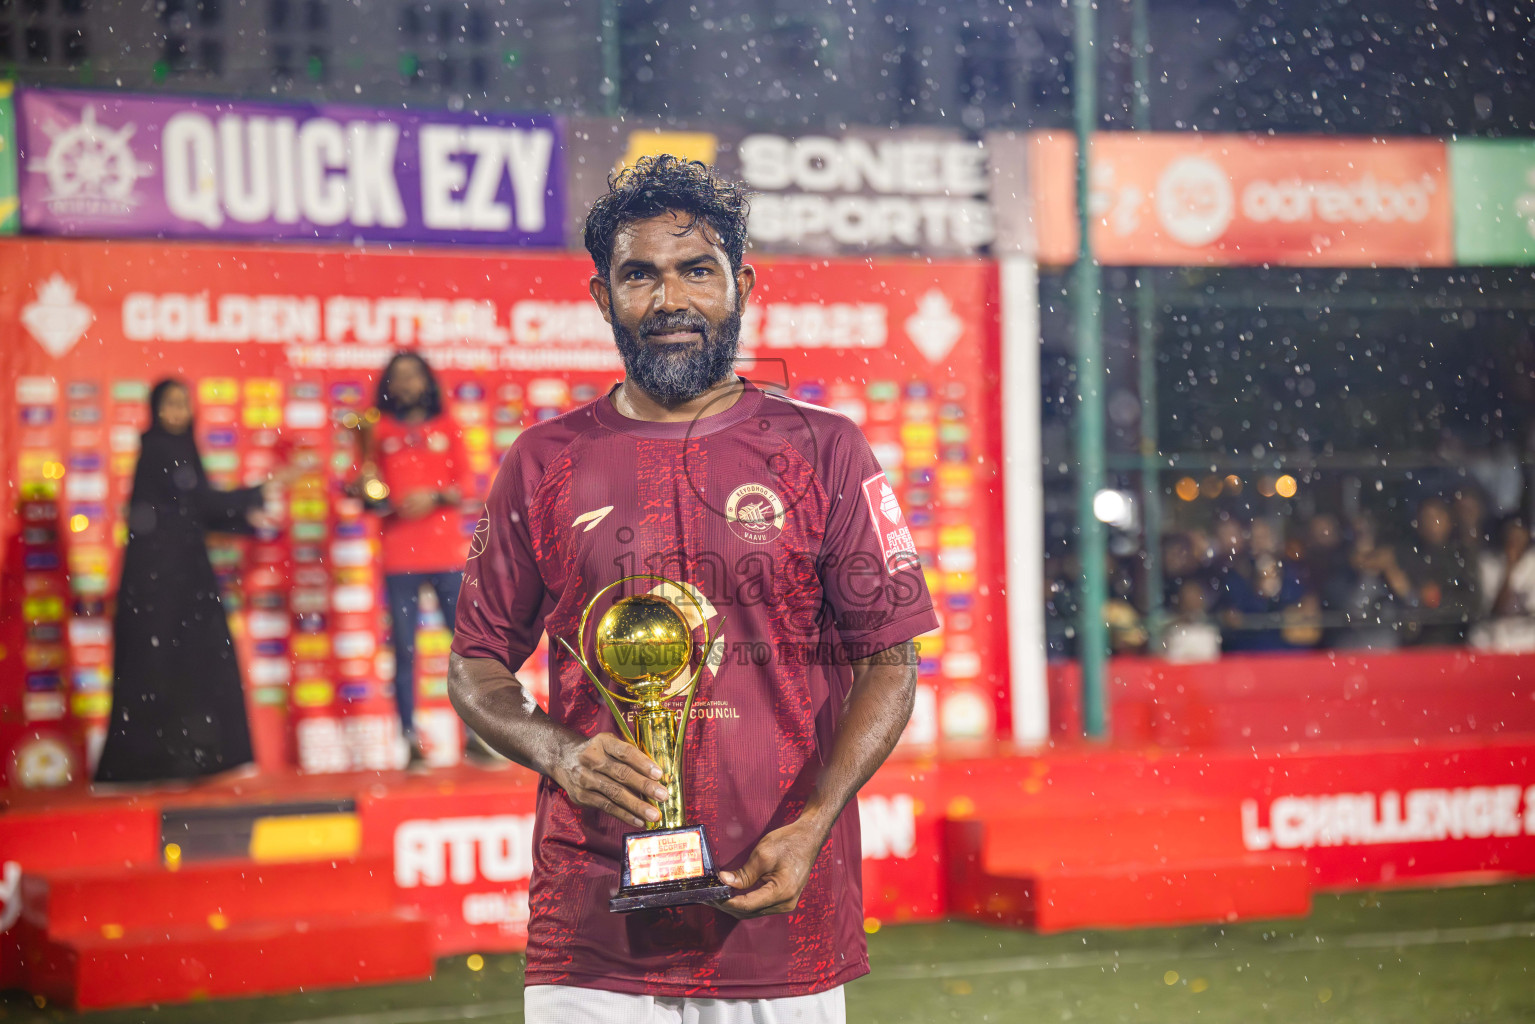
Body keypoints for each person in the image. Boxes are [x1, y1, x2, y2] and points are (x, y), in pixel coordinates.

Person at [448, 155, 936, 1023]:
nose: (670, 299)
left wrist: (813, 822)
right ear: (602, 297)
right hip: (590, 929)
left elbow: (889, 663)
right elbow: (476, 665)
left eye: (695, 270)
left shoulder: (824, 449)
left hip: (780, 908)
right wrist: (560, 753)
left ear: (739, 285)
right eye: (640, 275)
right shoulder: (541, 464)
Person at [95, 380, 281, 784]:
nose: (177, 412)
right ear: (155, 409)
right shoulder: (160, 448)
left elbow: (195, 510)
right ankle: (148, 765)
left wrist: (245, 518)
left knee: (191, 670)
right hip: (156, 588)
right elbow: (199, 503)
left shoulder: (184, 449)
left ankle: (191, 761)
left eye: (183, 404)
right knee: (156, 670)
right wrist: (255, 494)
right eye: (170, 404)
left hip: (184, 583)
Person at [368, 351, 474, 765]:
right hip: (398, 559)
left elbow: (468, 483)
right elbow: (362, 491)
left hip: (447, 555)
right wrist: (376, 495)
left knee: (466, 651)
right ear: (389, 385)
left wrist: (434, 496)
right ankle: (410, 741)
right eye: (400, 377)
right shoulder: (376, 432)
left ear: (428, 382)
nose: (408, 384)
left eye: (415, 376)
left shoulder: (448, 427)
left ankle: (476, 736)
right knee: (405, 653)